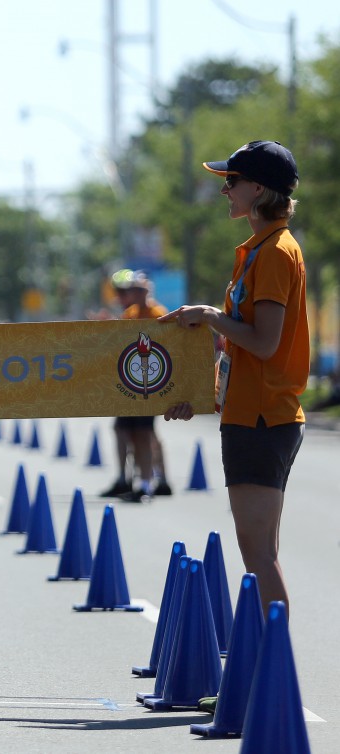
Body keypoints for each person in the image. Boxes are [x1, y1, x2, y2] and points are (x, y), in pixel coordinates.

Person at [161, 140, 307, 620]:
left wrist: (208, 315)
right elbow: (239, 350)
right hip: (252, 413)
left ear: (259, 189)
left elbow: (263, 343)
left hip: (263, 418)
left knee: (259, 554)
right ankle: (266, 674)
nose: (225, 191)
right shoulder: (258, 250)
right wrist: (198, 393)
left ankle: (272, 676)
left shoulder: (275, 253)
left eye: (232, 182)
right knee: (259, 551)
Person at [103, 270, 173, 502]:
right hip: (128, 384)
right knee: (125, 431)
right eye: (127, 291)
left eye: (135, 290)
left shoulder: (157, 313)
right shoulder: (130, 314)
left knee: (145, 433)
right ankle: (127, 478)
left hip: (148, 384)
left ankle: (150, 481)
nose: (131, 294)